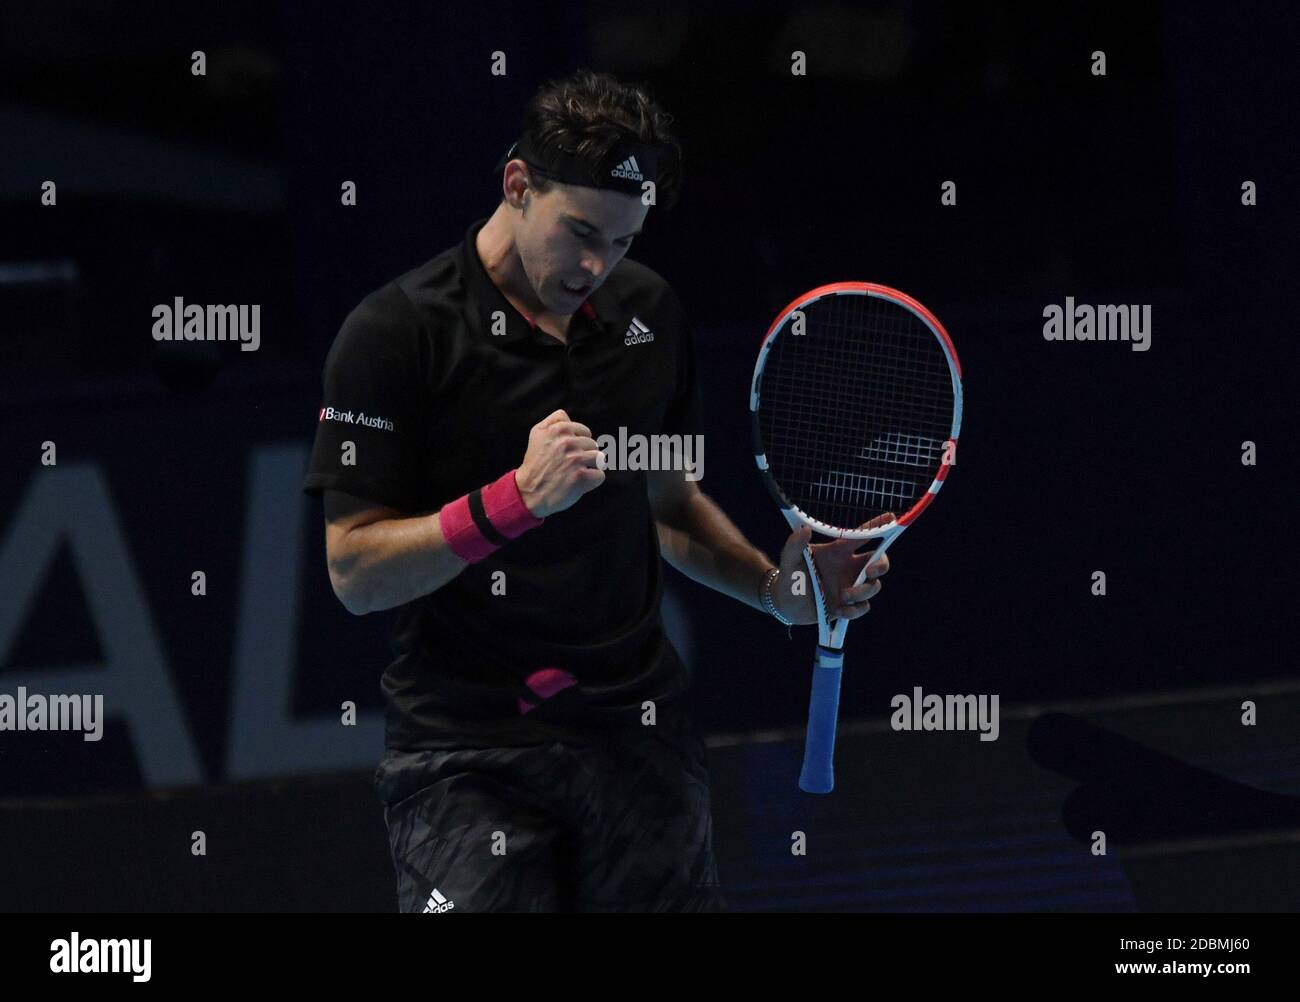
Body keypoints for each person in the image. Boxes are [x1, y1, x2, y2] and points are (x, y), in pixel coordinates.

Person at [302, 68, 890, 912]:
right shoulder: (394, 334)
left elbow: (668, 501)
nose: (594, 264)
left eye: (621, 241)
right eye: (579, 230)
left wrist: (774, 589)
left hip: (634, 735)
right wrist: (515, 502)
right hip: (465, 755)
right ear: (517, 184)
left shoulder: (645, 313)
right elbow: (354, 572)